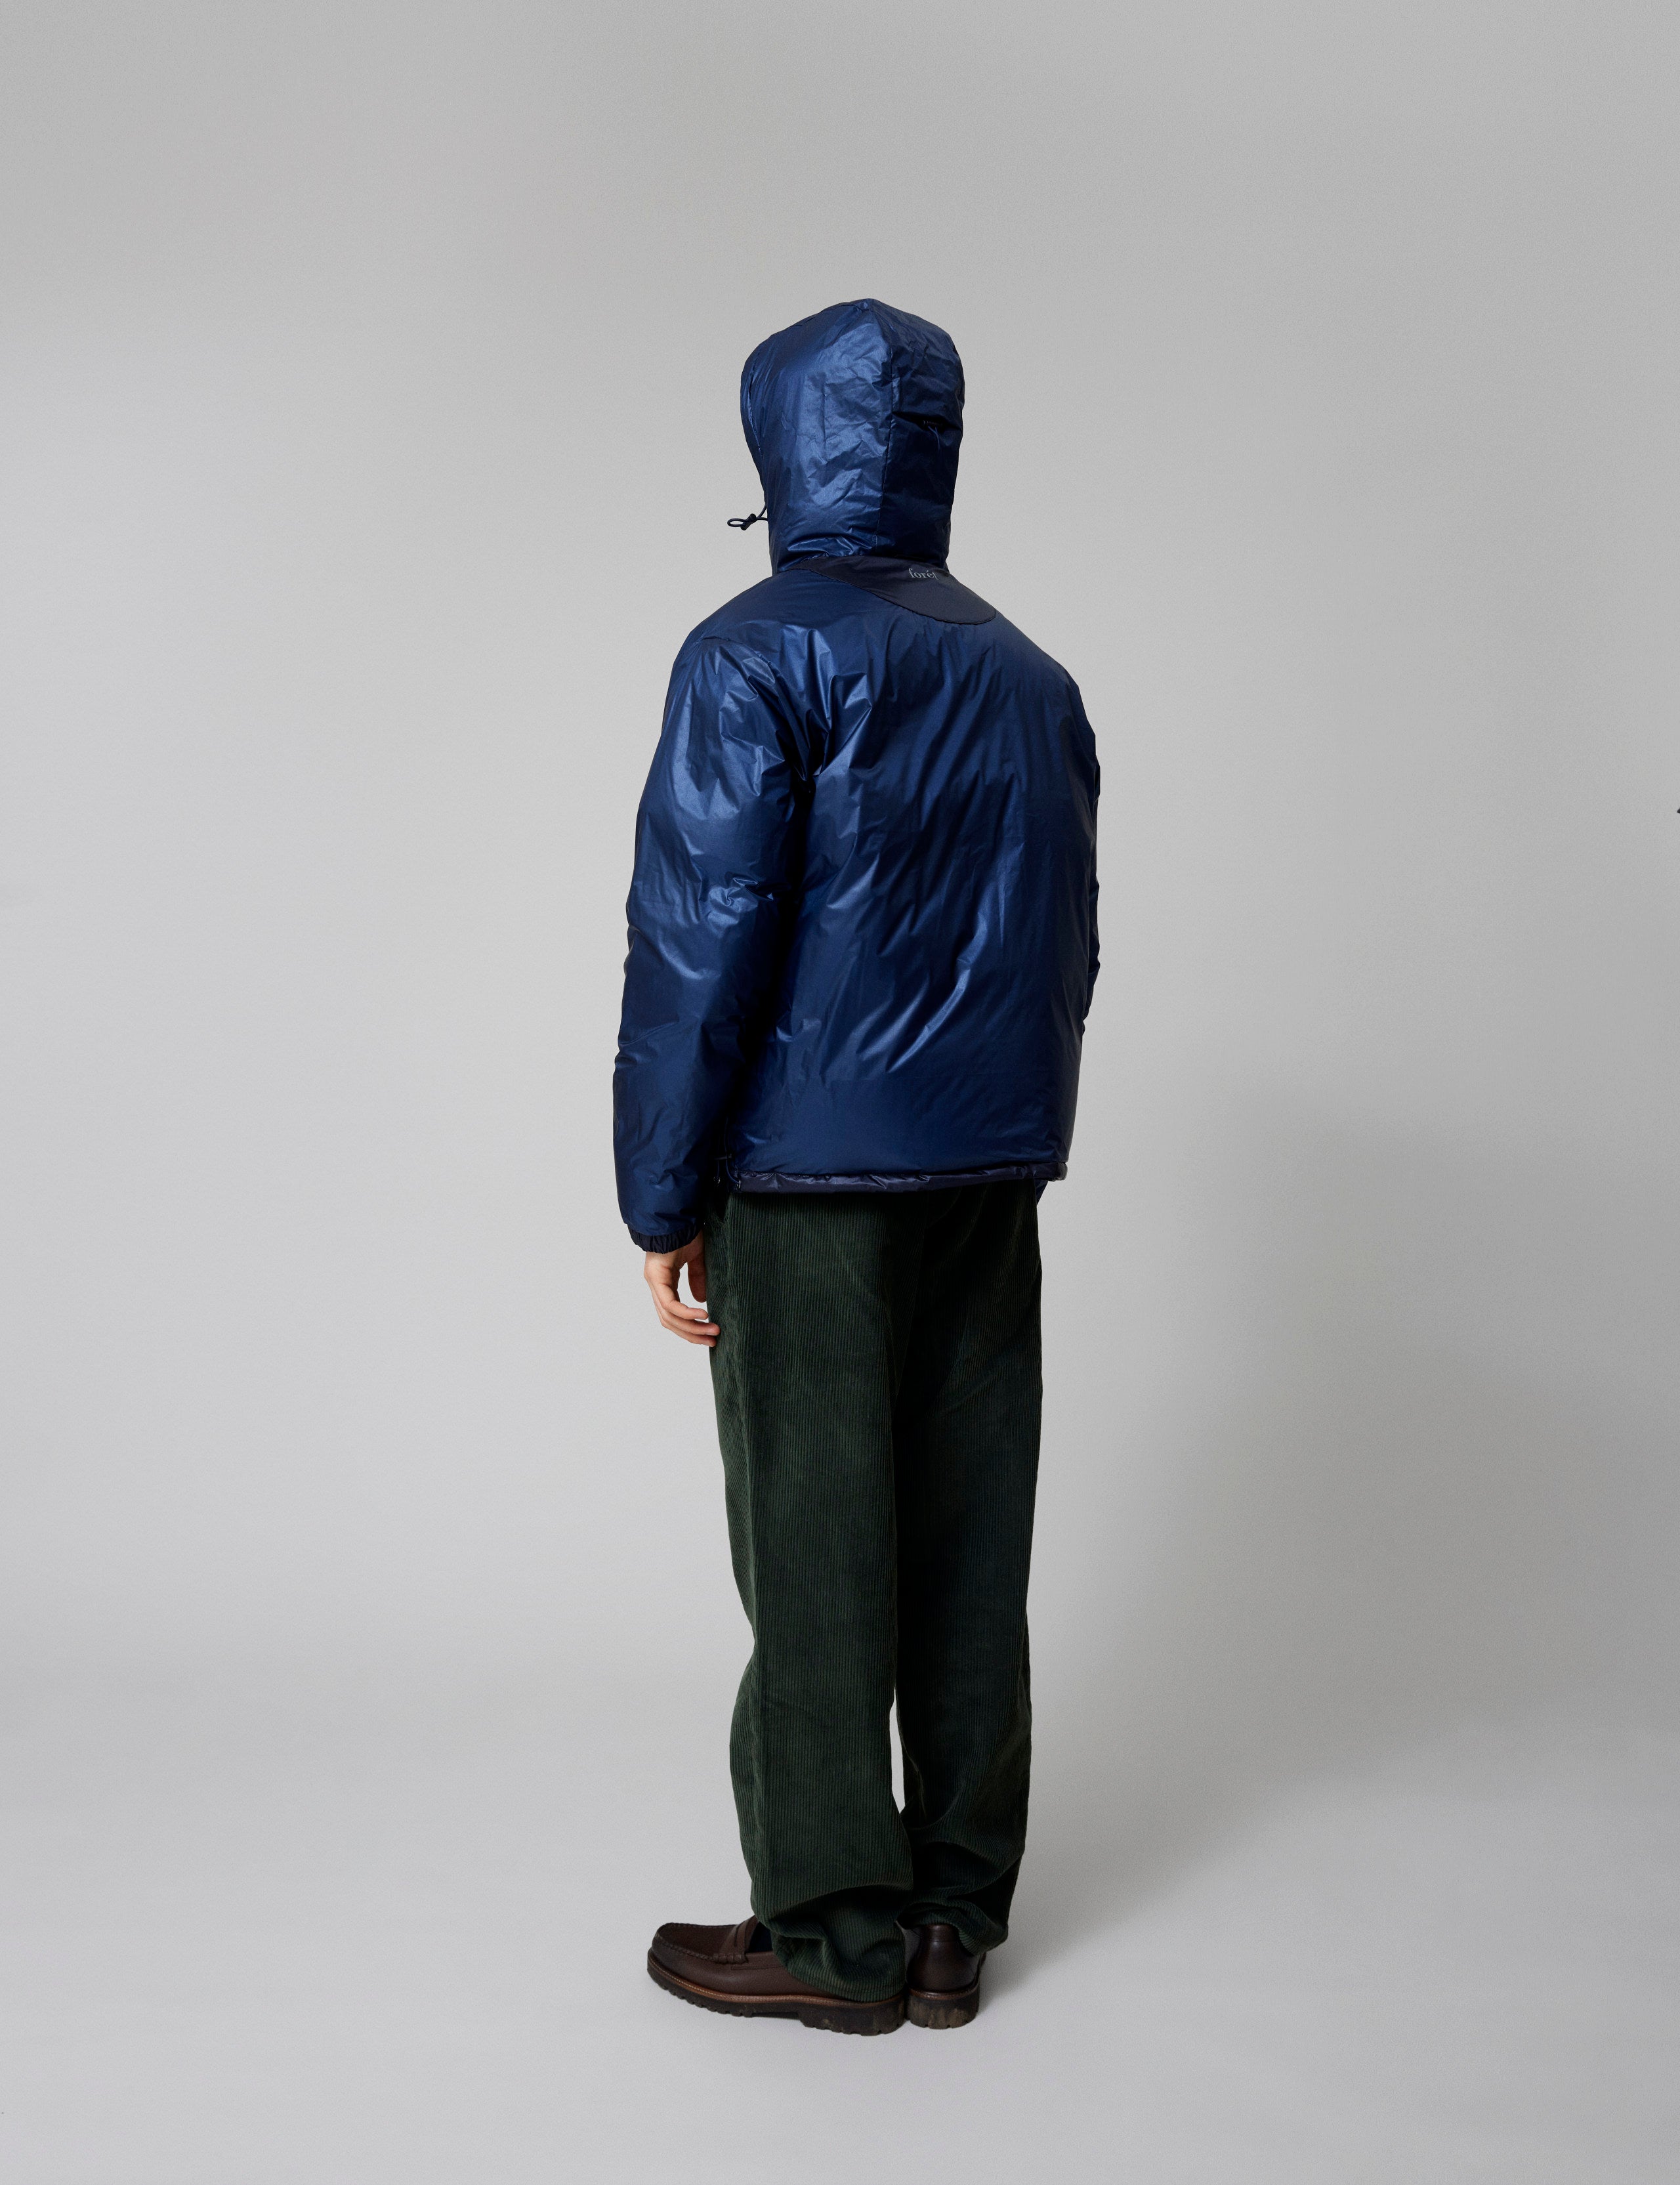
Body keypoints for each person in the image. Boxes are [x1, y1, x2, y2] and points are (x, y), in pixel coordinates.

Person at [613, 299, 1100, 2035]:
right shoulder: (1032, 674)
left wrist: (662, 1193)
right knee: (971, 1537)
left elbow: (699, 942)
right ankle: (956, 1915)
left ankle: (834, 1933)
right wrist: (1018, 1126)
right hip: (989, 1168)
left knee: (819, 1543)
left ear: (779, 451)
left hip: (804, 1179)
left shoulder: (750, 656)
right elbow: (1067, 940)